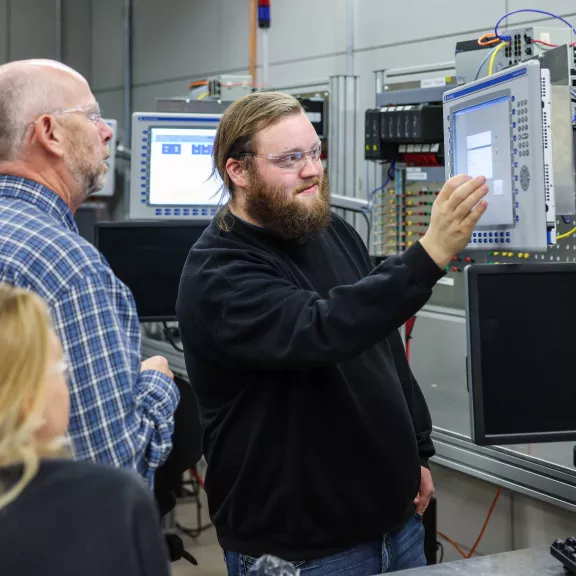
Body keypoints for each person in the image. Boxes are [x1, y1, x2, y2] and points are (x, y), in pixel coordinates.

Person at [176, 91, 488, 575]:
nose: (312, 170)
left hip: (396, 523)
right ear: (238, 171)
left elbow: (380, 344)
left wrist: (418, 450)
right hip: (302, 549)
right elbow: (321, 328)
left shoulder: (331, 231)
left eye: (315, 152)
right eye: (290, 158)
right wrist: (429, 253)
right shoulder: (219, 272)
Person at [0, 59, 179, 487]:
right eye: (92, 116)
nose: (106, 131)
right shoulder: (66, 267)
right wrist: (157, 383)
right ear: (49, 133)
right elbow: (112, 470)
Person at [0, 284, 171, 576]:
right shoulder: (109, 499)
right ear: (27, 399)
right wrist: (157, 386)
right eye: (59, 367)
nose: (67, 381)